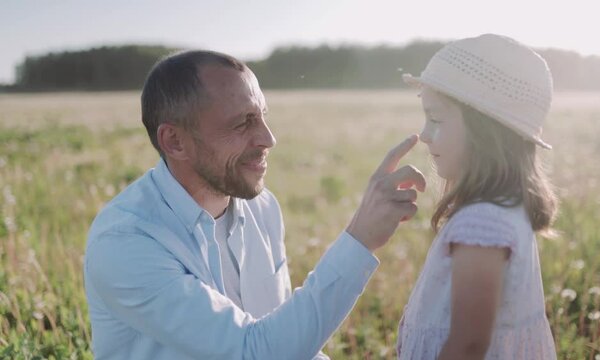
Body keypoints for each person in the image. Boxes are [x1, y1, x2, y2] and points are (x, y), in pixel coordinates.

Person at [83, 50, 426, 360]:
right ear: (174, 141)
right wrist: (359, 239)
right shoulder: (126, 242)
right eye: (242, 122)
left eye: (262, 116)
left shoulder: (262, 207)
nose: (268, 138)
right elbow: (257, 352)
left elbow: (283, 336)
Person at [397, 34, 558, 359]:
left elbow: (468, 345)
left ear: (487, 135)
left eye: (436, 119)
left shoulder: (481, 222)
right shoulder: (503, 208)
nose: (424, 134)